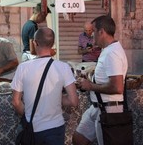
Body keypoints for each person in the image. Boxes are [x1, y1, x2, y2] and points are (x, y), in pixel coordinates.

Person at [11, 27, 78, 145]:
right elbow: (73, 101)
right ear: (52, 44)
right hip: (55, 127)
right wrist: (58, 98)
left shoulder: (23, 67)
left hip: (32, 127)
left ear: (35, 43)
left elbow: (16, 102)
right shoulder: (64, 67)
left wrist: (29, 115)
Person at [72, 15, 128, 145]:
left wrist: (90, 86)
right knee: (79, 139)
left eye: (94, 31)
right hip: (97, 107)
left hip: (109, 110)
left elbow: (117, 87)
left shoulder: (112, 53)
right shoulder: (108, 50)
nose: (92, 36)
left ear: (101, 31)